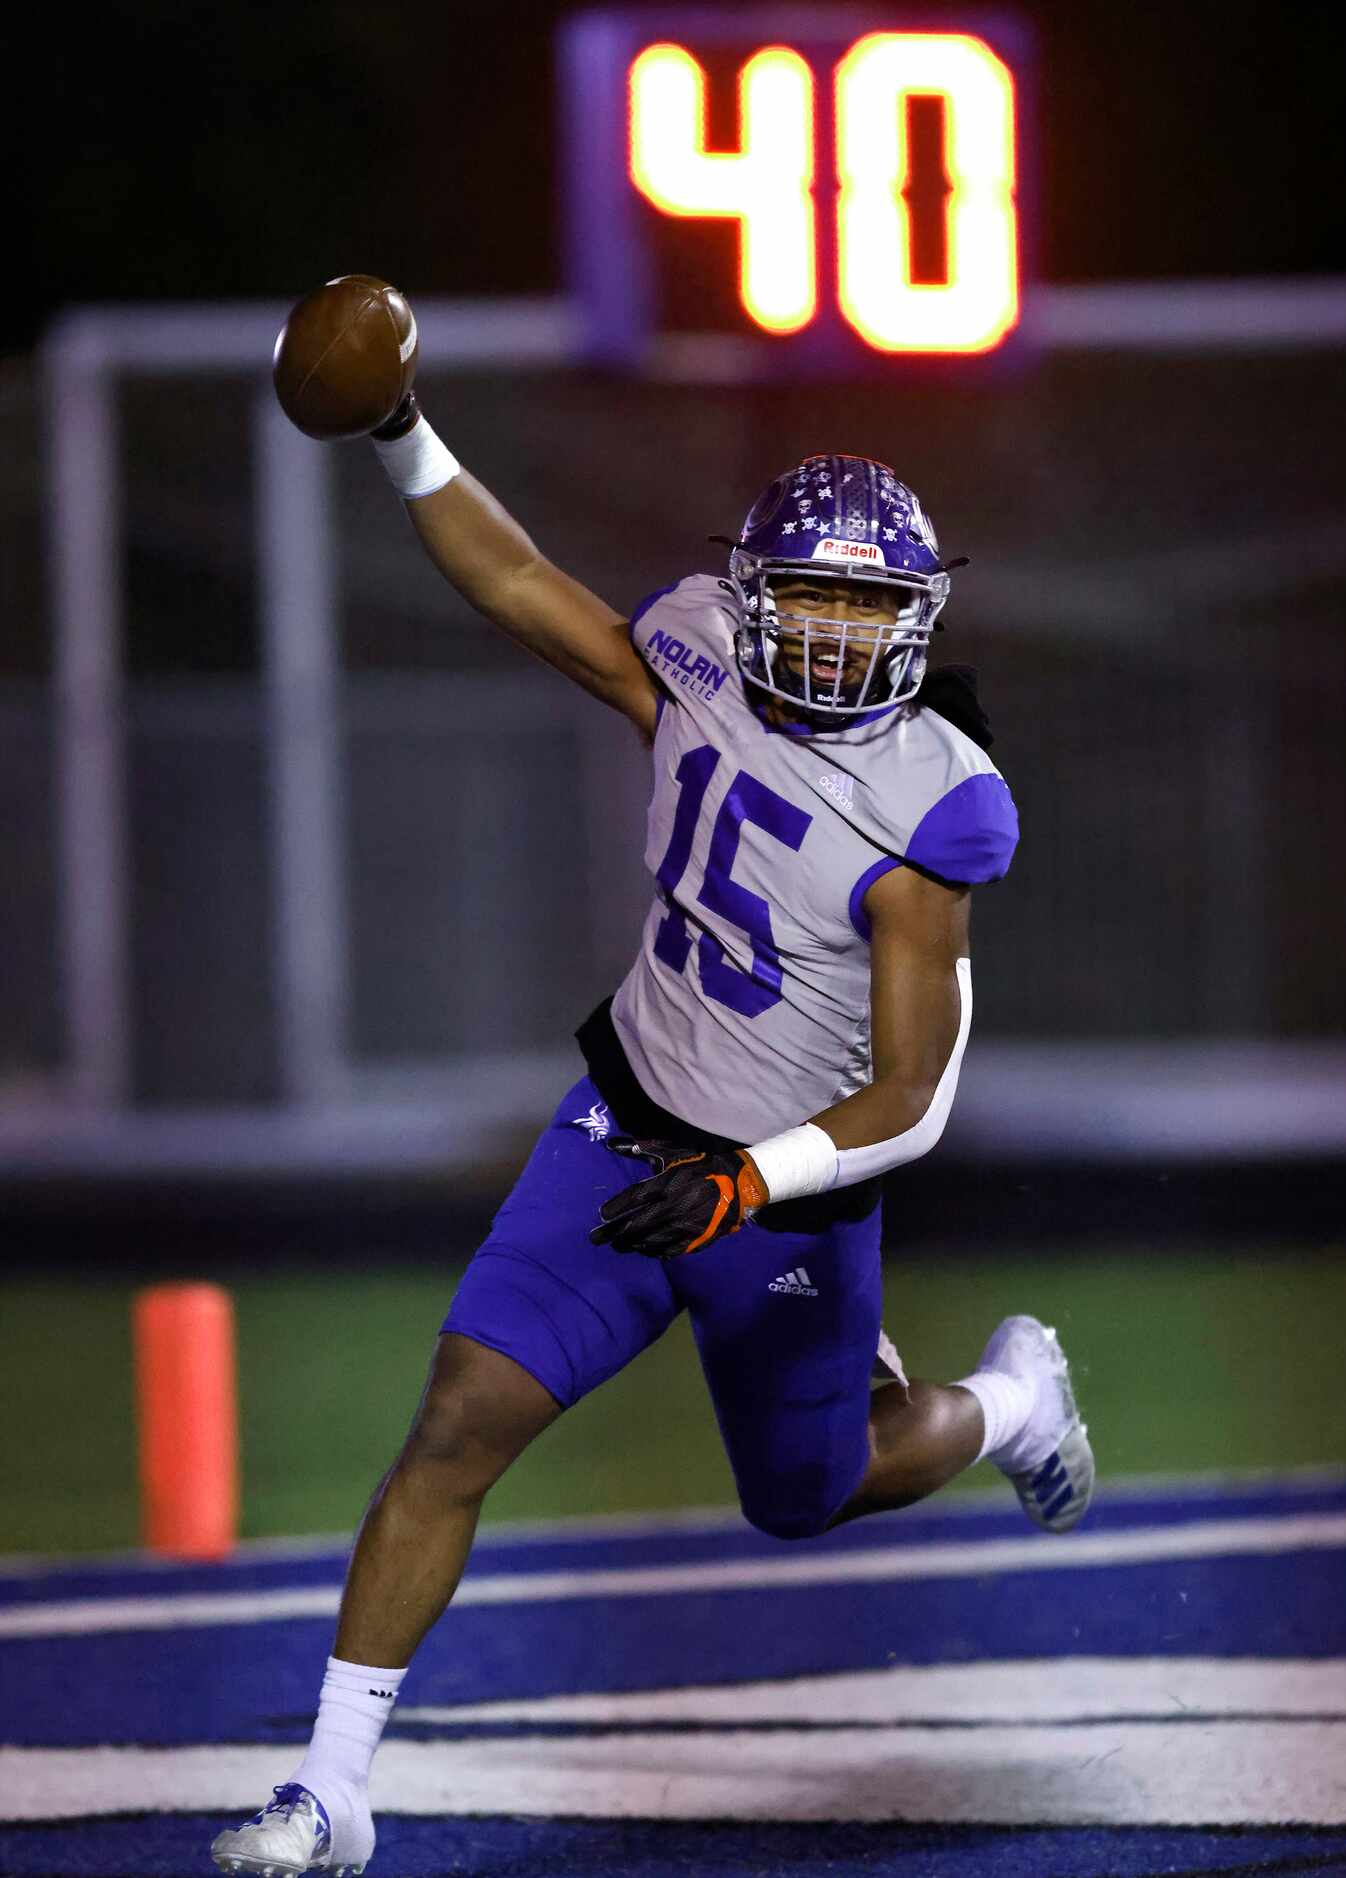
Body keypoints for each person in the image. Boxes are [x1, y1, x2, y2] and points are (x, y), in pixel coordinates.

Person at [212, 399, 1094, 1878]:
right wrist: (395, 430)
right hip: (621, 1124)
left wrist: (747, 1180)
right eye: (803, 594)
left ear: (914, 621)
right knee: (453, 1424)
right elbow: (513, 584)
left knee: (808, 1492)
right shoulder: (690, 648)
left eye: (860, 603)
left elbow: (912, 1097)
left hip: (785, 1190)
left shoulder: (937, 803)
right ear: (748, 599)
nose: (825, 632)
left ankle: (1011, 1402)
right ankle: (329, 1791)